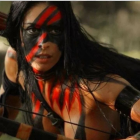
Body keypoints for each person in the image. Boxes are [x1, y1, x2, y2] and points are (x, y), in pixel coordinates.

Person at [0, 1, 140, 140]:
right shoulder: (16, 61)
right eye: (32, 30)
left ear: (67, 35)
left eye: (55, 30)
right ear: (19, 33)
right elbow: (5, 113)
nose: (43, 43)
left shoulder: (96, 84)